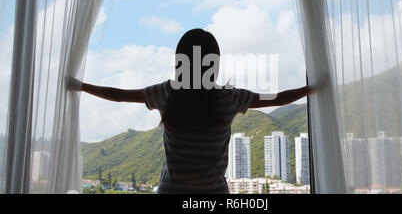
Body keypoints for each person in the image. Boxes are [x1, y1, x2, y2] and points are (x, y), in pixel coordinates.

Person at [67, 28, 313, 194]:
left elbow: (119, 95)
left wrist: (81, 86)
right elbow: (279, 98)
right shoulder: (228, 97)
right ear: (214, 63)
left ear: (180, 60)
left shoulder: (168, 93)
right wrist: (312, 88)